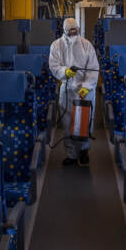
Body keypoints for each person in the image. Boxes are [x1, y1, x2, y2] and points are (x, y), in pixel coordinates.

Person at [48, 16, 99, 166]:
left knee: (85, 122)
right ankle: (71, 154)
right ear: (64, 30)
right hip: (67, 89)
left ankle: (84, 151)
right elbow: (54, 66)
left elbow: (94, 67)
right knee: (68, 122)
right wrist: (65, 71)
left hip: (85, 90)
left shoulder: (86, 45)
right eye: (70, 30)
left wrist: (87, 86)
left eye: (75, 30)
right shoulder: (56, 45)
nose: (73, 32)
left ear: (78, 29)